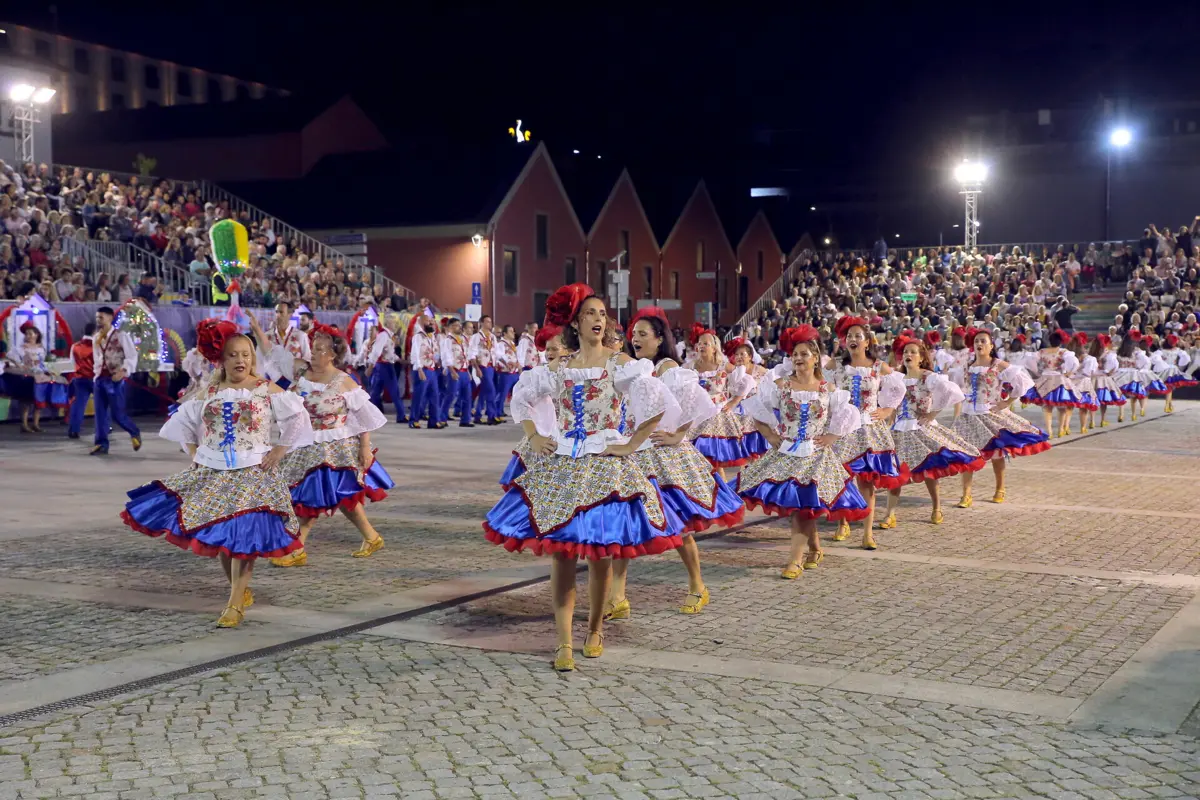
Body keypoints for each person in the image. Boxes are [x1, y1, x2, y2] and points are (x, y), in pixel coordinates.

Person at [483, 284, 679, 672]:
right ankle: (563, 642)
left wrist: (629, 443)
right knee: (562, 555)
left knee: (601, 553)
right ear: (575, 322)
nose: (598, 319)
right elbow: (522, 397)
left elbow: (658, 403)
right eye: (590, 313)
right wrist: (534, 435)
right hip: (565, 466)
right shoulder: (559, 367)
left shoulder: (620, 363)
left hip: (604, 465)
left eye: (602, 313)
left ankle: (594, 630)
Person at [120, 321, 314, 628]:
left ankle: (234, 602)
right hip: (215, 472)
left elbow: (298, 417)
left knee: (243, 538)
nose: (240, 360)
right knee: (225, 535)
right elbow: (182, 423)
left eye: (246, 355)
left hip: (254, 472)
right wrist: (196, 453)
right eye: (233, 355)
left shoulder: (265, 388)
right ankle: (239, 590)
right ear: (221, 359)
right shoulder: (208, 391)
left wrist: (279, 450)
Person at [606, 307, 745, 621]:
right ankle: (617, 596)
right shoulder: (634, 367)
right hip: (634, 452)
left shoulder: (667, 368)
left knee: (678, 525)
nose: (635, 339)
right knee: (625, 522)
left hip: (662, 456)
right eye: (634, 334)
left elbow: (699, 403)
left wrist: (678, 434)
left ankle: (697, 585)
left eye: (643, 334)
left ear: (659, 339)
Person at [738, 325, 868, 578]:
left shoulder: (827, 389)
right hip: (786, 453)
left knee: (803, 506)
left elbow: (849, 415)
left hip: (816, 457)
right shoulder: (781, 385)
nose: (798, 358)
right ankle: (814, 549)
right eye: (795, 354)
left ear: (815, 357)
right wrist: (771, 436)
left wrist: (831, 436)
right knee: (801, 506)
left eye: (804, 354)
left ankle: (794, 560)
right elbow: (757, 411)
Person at [270, 324, 393, 567]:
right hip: (306, 447)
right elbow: (271, 355)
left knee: (311, 499)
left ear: (332, 354)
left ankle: (297, 550)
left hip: (335, 450)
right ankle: (372, 537)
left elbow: (364, 417)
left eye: (319, 349)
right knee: (343, 498)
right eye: (313, 348)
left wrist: (364, 448)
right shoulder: (302, 373)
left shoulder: (344, 381)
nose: (313, 353)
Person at [878, 337, 983, 528]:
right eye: (906, 352)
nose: (909, 355)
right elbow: (892, 404)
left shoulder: (928, 377)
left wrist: (933, 413)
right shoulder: (897, 378)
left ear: (921, 357)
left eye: (913, 352)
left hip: (921, 429)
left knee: (929, 471)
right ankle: (889, 514)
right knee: (895, 472)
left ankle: (936, 507)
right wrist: (889, 423)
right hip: (899, 430)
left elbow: (952, 392)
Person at [828, 315, 905, 550]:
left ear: (867, 341)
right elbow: (820, 385)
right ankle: (842, 523)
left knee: (867, 482)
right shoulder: (835, 365)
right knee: (841, 478)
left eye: (858, 336)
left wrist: (887, 409)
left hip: (869, 430)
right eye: (849, 336)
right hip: (843, 429)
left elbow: (899, 388)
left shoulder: (878, 366)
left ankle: (867, 533)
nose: (853, 339)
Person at [951, 328, 1049, 507]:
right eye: (977, 341)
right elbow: (956, 387)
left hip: (990, 413)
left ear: (991, 346)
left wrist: (1007, 401)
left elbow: (1023, 381)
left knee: (996, 454)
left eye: (983, 341)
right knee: (966, 454)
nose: (979, 344)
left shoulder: (998, 364)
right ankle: (966, 494)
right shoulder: (967, 366)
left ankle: (1000, 488)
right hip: (968, 415)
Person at [685, 325, 754, 478]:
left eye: (706, 343)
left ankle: (723, 489)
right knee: (701, 461)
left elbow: (747, 381)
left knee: (715, 462)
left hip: (717, 415)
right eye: (700, 343)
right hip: (698, 415)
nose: (701, 346)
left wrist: (733, 402)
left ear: (714, 348)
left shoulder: (723, 365)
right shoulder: (691, 366)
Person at [90, 306, 142, 455]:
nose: (98, 320)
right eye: (97, 318)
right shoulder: (96, 337)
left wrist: (123, 371)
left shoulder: (121, 335)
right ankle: (101, 443)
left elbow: (132, 356)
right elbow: (97, 358)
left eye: (101, 317)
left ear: (110, 318)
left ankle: (134, 431)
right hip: (100, 379)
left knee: (117, 414)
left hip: (115, 380)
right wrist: (96, 373)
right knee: (100, 414)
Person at [1027, 329, 1082, 439]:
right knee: (1061, 407)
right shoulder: (1063, 352)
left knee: (1047, 407)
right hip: (1059, 378)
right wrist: (1069, 372)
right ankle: (1060, 429)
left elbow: (1029, 361)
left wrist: (1037, 372)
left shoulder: (1042, 351)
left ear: (1050, 341)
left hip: (1046, 378)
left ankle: (1049, 431)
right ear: (1060, 341)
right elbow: (1075, 363)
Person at [247, 301, 311, 389]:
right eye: (276, 312)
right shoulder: (267, 336)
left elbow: (307, 359)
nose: (278, 315)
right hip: (271, 383)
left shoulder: (300, 335)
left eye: (281, 312)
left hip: (294, 384)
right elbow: (260, 360)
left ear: (290, 314)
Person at [364, 319, 405, 423]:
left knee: (375, 392)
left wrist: (399, 359)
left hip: (382, 365)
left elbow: (389, 352)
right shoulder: (384, 335)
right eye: (394, 322)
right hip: (385, 366)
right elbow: (376, 352)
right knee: (394, 391)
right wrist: (370, 367)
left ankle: (369, 415)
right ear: (388, 324)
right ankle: (401, 415)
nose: (396, 324)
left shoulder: (388, 335)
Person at [408, 315, 444, 429]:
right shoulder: (418, 337)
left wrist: (438, 362)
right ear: (422, 322)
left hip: (432, 369)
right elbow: (415, 354)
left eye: (431, 321)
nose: (431, 323)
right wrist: (419, 369)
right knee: (419, 396)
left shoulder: (432, 337)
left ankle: (434, 421)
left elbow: (435, 351)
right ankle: (414, 420)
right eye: (428, 321)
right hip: (422, 369)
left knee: (434, 396)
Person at [440, 318, 474, 427]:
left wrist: (468, 371)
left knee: (467, 397)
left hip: (464, 371)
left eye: (459, 325)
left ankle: (465, 420)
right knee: (450, 395)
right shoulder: (448, 340)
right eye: (456, 325)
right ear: (450, 327)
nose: (459, 327)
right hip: (455, 370)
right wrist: (451, 371)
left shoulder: (462, 340)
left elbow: (465, 356)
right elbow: (446, 356)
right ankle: (442, 418)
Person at [65, 322, 96, 439]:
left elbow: (71, 364)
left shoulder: (75, 346)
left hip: (79, 378)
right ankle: (105, 428)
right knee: (103, 404)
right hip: (95, 379)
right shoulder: (98, 346)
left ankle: (74, 430)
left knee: (78, 405)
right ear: (95, 332)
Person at [468, 315, 500, 425]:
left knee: (483, 391)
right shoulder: (476, 337)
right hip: (482, 366)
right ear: (481, 323)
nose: (489, 324)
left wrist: (497, 363)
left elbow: (496, 352)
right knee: (491, 390)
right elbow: (472, 353)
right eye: (487, 321)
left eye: (490, 322)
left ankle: (477, 415)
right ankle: (492, 415)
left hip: (491, 366)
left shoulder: (492, 337)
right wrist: (476, 368)